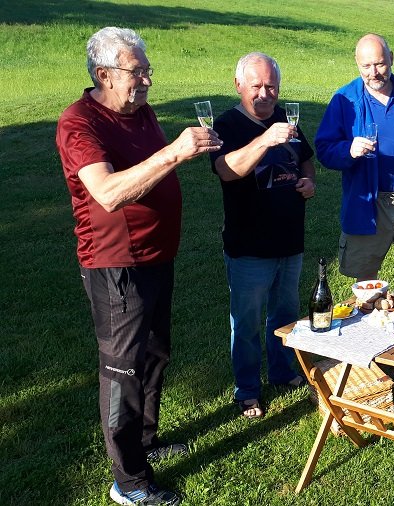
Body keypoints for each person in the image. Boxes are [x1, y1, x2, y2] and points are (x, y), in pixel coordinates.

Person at [56, 26, 222, 506]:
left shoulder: (140, 110)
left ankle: (144, 442)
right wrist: (175, 151)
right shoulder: (78, 123)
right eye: (137, 71)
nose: (147, 80)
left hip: (156, 256)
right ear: (104, 74)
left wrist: (172, 156)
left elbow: (149, 174)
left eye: (148, 70)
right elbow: (107, 194)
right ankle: (127, 482)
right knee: (122, 372)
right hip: (116, 266)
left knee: (154, 356)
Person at [210, 52, 316, 419]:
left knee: (284, 317)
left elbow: (305, 159)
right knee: (246, 323)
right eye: (256, 85)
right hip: (249, 245)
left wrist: (309, 182)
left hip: (290, 239)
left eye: (271, 86)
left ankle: (282, 372)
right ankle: (247, 390)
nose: (264, 93)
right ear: (238, 85)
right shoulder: (227, 124)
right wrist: (265, 139)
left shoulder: (287, 118)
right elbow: (226, 170)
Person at [315, 33, 394, 303]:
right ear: (357, 63)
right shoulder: (344, 99)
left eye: (380, 64)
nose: (374, 72)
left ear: (391, 58)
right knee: (366, 272)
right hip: (367, 202)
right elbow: (324, 149)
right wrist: (348, 150)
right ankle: (373, 319)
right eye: (366, 66)